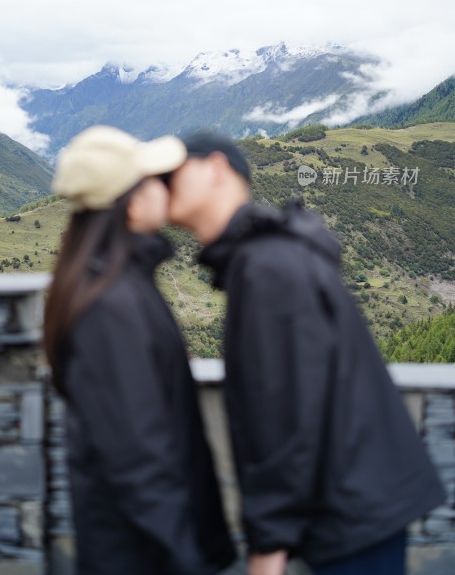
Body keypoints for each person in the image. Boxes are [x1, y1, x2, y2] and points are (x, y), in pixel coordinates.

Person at [167, 130, 446, 575]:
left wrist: (269, 544)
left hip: (351, 512)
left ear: (216, 169)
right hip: (358, 499)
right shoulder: (271, 256)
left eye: (171, 173)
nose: (162, 185)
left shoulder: (265, 268)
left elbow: (288, 408)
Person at [43, 126, 237, 575]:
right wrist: (188, 559)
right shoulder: (110, 307)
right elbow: (137, 455)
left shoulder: (115, 286)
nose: (163, 186)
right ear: (131, 205)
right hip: (147, 555)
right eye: (152, 179)